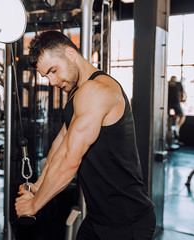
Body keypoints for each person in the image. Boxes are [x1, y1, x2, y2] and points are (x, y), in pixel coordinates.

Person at [15, 31, 156, 240]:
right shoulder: (76, 93)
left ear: (71, 54)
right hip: (98, 219)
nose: (52, 81)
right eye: (47, 76)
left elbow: (70, 162)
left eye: (53, 71)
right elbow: (61, 144)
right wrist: (38, 185)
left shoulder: (97, 91)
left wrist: (34, 205)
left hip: (128, 223)